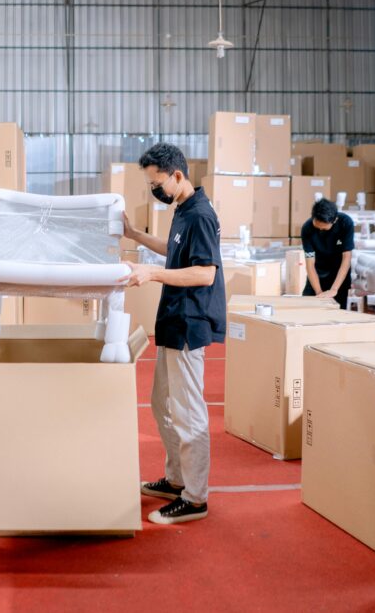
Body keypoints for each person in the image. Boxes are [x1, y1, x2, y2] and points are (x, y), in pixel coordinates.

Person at [120, 142, 225, 526]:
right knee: (161, 404)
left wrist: (151, 274)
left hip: (189, 322)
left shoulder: (201, 215)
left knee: (187, 411)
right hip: (172, 318)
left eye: (157, 183)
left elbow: (205, 273)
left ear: (178, 175)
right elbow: (173, 250)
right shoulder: (182, 209)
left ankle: (195, 498)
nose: (155, 190)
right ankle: (176, 479)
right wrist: (135, 235)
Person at [300, 198, 354, 309]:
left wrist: (334, 289)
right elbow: (310, 264)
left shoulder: (345, 223)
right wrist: (319, 293)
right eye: (317, 227)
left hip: (339, 274)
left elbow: (346, 258)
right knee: (307, 306)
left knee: (338, 310)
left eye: (324, 228)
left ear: (334, 220)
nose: (320, 230)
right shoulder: (307, 228)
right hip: (317, 272)